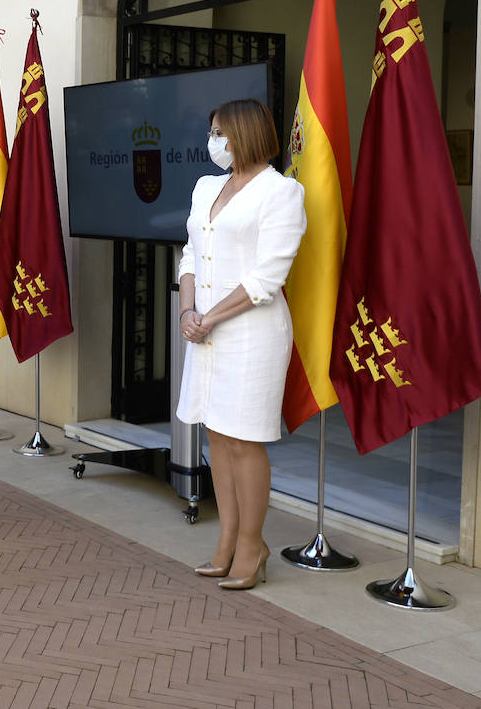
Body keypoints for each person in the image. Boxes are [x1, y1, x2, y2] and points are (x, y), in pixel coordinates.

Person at [177, 98, 305, 591]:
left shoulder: (281, 192)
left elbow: (266, 277)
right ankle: (227, 540)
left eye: (221, 133)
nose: (214, 142)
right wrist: (189, 312)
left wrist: (207, 317)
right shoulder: (206, 186)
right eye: (211, 132)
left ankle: (253, 544)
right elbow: (190, 254)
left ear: (246, 133)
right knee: (216, 433)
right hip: (205, 329)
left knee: (243, 439)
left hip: (252, 335)